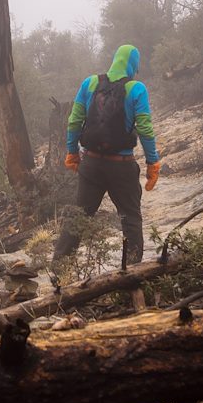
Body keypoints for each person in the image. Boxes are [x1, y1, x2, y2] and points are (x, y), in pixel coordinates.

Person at [55, 43, 161, 267]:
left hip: (91, 164)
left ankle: (58, 272)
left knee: (78, 218)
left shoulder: (90, 83)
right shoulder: (137, 89)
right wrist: (153, 162)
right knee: (130, 218)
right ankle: (131, 273)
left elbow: (74, 121)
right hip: (121, 167)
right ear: (133, 65)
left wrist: (72, 152)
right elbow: (144, 128)